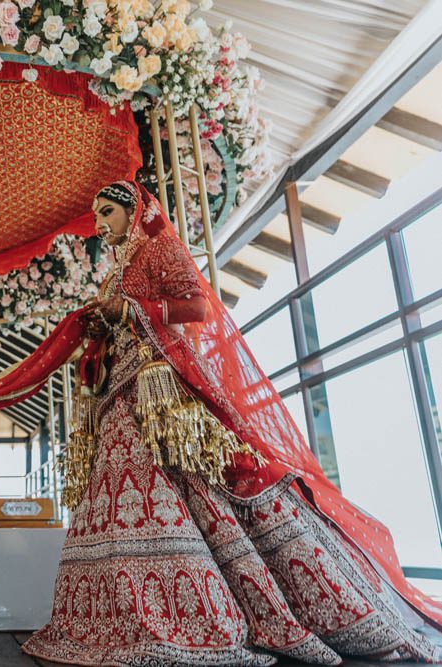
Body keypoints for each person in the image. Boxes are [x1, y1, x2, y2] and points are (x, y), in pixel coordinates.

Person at [22, 181, 442, 665]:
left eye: (108, 212)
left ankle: (212, 613)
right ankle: (120, 618)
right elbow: (121, 323)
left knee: (197, 485)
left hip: (162, 392)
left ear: (133, 210)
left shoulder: (160, 249)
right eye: (96, 214)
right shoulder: (112, 272)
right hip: (121, 392)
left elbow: (195, 305)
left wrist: (135, 309)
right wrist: (104, 322)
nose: (99, 223)